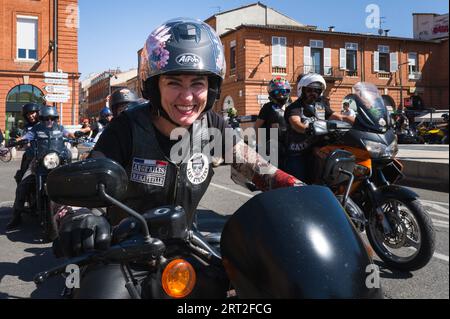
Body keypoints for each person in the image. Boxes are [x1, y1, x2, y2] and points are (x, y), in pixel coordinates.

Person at [53, 19, 303, 296]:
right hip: (122, 251)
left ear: (212, 88)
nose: (187, 97)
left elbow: (257, 167)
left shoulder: (213, 127)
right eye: (173, 82)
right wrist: (79, 216)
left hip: (187, 245)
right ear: (153, 87)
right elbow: (79, 184)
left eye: (198, 83)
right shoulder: (127, 128)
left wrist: (303, 192)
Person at [6, 106, 75, 230]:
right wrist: (15, 140)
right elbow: (26, 136)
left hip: (55, 160)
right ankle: (16, 216)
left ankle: (70, 208)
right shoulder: (36, 129)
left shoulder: (60, 128)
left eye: (52, 118)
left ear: (56, 119)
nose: (49, 121)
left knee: (71, 180)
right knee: (22, 186)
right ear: (41, 119)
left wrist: (76, 135)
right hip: (38, 162)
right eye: (46, 118)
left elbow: (68, 134)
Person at [254, 76, 290, 165]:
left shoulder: (291, 106)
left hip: (289, 143)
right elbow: (257, 126)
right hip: (271, 145)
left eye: (283, 91)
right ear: (272, 93)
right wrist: (260, 145)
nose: (281, 95)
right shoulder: (267, 107)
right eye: (277, 92)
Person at [13, 103, 41, 184]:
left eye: (32, 113)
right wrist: (18, 142)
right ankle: (21, 190)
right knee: (24, 178)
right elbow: (24, 137)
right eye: (28, 114)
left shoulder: (44, 124)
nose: (30, 116)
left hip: (45, 153)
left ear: (37, 113)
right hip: (32, 154)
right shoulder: (27, 127)